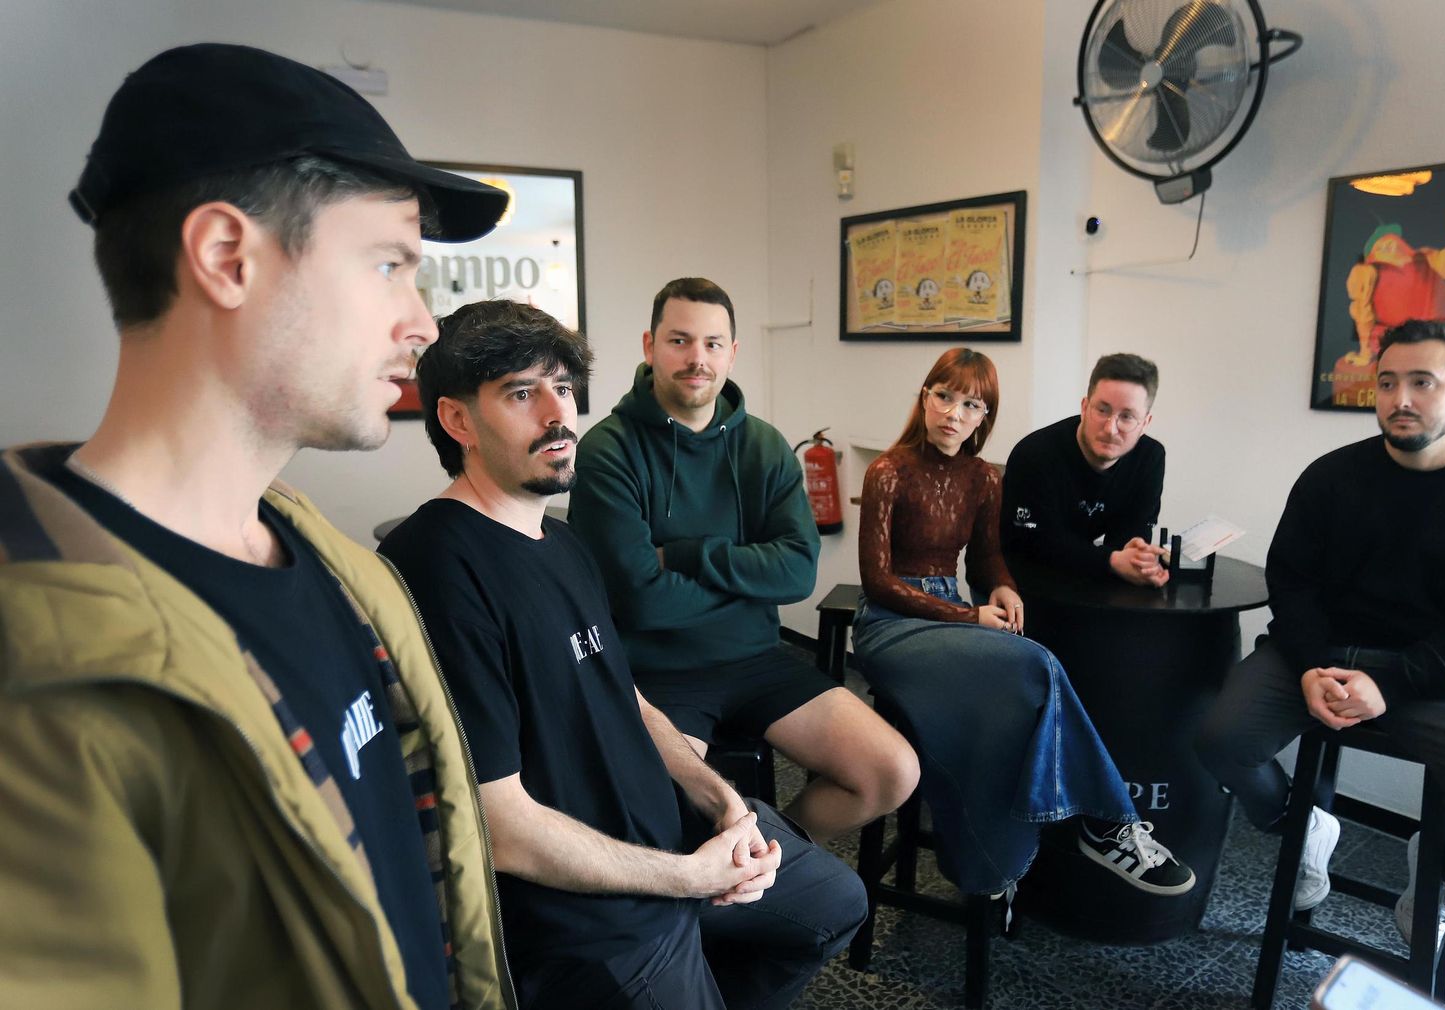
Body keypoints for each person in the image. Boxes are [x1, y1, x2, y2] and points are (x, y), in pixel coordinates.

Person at [0, 44, 513, 1009]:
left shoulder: (317, 551)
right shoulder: (41, 693)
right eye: (392, 263)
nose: (424, 324)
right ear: (228, 258)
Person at [379, 300, 866, 1009]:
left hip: (675, 841)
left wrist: (724, 802)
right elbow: (503, 829)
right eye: (523, 393)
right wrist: (690, 879)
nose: (558, 415)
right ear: (458, 421)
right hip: (595, 916)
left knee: (834, 903)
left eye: (565, 389)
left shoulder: (563, 541)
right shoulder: (436, 567)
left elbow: (626, 697)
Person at [1195, 319, 1445, 945]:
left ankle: (1444, 873)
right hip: (1320, 655)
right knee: (1220, 737)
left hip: (1436, 676)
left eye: (1422, 382)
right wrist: (1307, 665)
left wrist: (1390, 683)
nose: (1400, 399)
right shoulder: (1331, 477)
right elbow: (1293, 582)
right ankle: (1303, 826)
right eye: (1387, 383)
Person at [570, 277, 918, 842]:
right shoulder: (609, 450)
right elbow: (637, 599)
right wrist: (747, 585)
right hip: (657, 672)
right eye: (679, 340)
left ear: (732, 352)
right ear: (649, 345)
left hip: (756, 658)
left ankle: (771, 866)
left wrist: (682, 555)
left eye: (712, 344)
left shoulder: (765, 446)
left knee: (890, 772)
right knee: (659, 811)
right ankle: (715, 894)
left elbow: (798, 571)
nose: (696, 359)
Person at [851, 348, 1196, 898]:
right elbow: (879, 582)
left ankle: (991, 862)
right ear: (925, 396)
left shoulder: (984, 477)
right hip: (889, 622)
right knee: (1038, 662)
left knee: (1010, 707)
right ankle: (1106, 823)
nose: (953, 414)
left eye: (971, 405)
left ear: (984, 417)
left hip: (949, 616)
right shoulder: (887, 470)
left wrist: (1004, 585)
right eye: (944, 396)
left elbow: (988, 559)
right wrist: (971, 614)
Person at [1001, 352, 1168, 587]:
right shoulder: (1034, 454)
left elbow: (1132, 532)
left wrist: (1138, 557)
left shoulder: (1150, 457)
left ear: (1145, 424)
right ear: (1084, 407)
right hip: (1019, 583)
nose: (1111, 428)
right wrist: (1111, 560)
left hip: (1088, 577)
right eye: (1102, 410)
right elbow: (1034, 542)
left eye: (1127, 417)